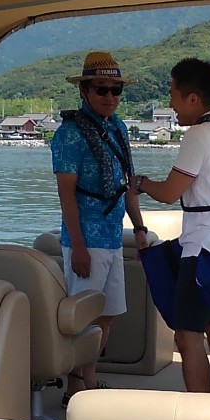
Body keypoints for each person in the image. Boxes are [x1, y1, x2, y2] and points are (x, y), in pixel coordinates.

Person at [132, 59, 210, 392]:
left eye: (173, 95)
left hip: (202, 252)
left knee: (188, 337)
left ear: (192, 98)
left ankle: (200, 415)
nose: (170, 105)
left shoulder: (197, 136)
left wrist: (142, 183)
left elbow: (169, 193)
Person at [51, 50, 148, 395]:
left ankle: (86, 378)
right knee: (84, 317)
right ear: (85, 92)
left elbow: (128, 183)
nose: (110, 97)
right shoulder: (69, 135)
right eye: (101, 89)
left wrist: (138, 228)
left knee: (107, 314)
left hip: (111, 235)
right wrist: (77, 246)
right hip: (86, 240)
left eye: (116, 90)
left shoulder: (118, 127)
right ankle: (76, 387)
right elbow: (66, 194)